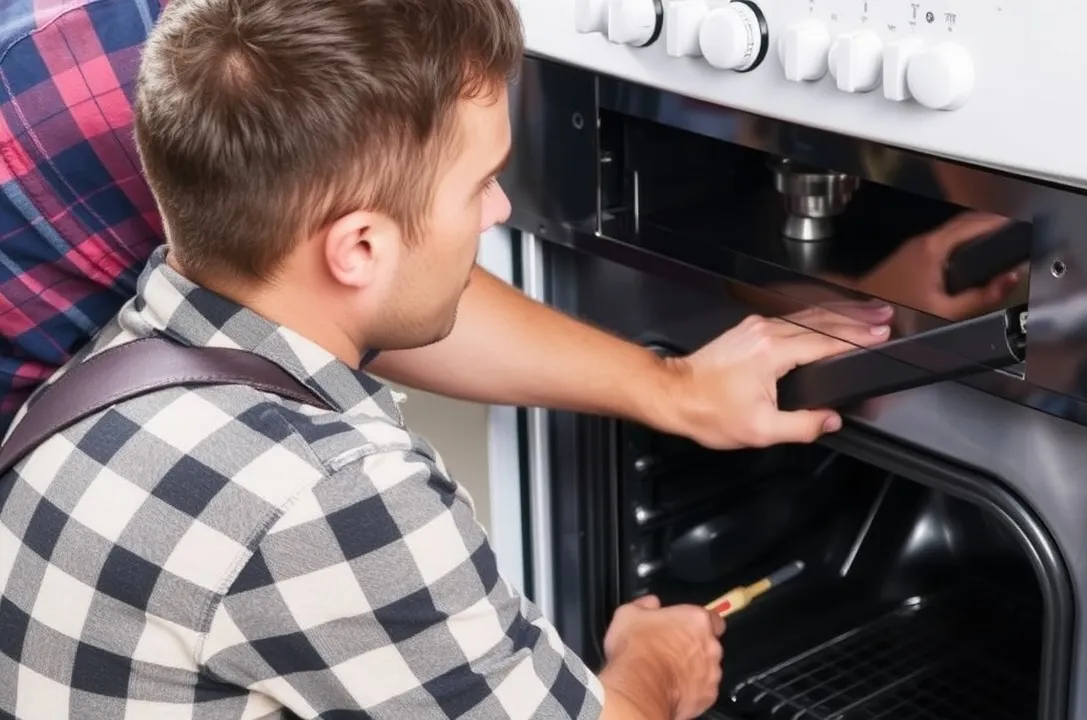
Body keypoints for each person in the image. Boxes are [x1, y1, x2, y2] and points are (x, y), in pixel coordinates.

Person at [0, 0, 895, 718]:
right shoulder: (333, 499)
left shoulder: (102, 380)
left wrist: (677, 386)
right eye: (479, 184)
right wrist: (651, 673)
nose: (501, 212)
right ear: (357, 249)